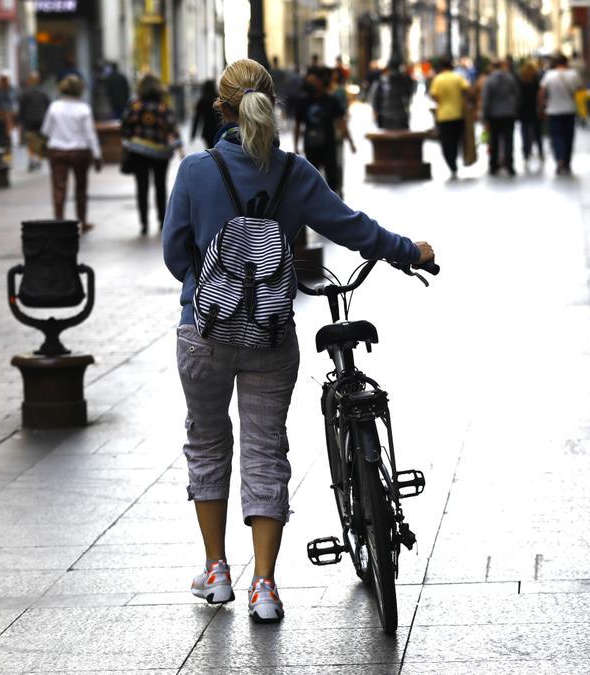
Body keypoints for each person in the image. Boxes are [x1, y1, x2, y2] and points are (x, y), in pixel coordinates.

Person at [162, 58, 435, 624]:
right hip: (270, 332)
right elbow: (355, 228)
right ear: (272, 106)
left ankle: (216, 571)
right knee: (266, 448)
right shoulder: (295, 173)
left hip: (204, 332)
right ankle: (265, 585)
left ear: (222, 109)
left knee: (207, 443)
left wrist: (209, 282)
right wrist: (411, 251)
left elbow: (174, 254)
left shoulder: (195, 170)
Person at [121, 74, 183, 235]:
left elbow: (125, 126)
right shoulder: (163, 107)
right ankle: (162, 220)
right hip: (160, 153)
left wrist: (129, 140)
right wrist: (179, 147)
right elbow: (172, 128)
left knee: (142, 187)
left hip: (138, 152)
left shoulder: (135, 106)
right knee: (160, 186)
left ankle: (144, 223)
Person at [41, 75, 101, 233]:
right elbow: (90, 134)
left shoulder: (54, 107)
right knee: (81, 187)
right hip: (79, 151)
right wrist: (97, 154)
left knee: (58, 186)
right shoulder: (84, 108)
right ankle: (82, 221)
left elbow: (45, 130)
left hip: (57, 150)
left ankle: (59, 220)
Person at [294, 68, 353, 194]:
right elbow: (298, 124)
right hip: (310, 145)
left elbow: (341, 122)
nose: (311, 84)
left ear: (321, 81)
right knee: (312, 177)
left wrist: (350, 141)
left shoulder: (331, 100)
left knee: (332, 178)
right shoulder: (303, 101)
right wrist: (295, 145)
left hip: (329, 145)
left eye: (314, 81)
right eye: (309, 81)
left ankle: (335, 202)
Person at [539, 53, 584, 175]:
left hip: (553, 111)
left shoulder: (549, 75)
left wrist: (542, 106)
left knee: (556, 137)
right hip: (569, 110)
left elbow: (542, 92)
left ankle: (560, 160)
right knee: (568, 137)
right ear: (566, 62)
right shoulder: (573, 74)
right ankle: (567, 162)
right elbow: (580, 89)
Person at [427, 58, 470, 179]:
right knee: (456, 140)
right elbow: (466, 89)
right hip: (458, 114)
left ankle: (451, 164)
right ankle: (455, 160)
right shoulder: (457, 77)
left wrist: (441, 101)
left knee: (446, 142)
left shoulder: (438, 79)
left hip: (443, 115)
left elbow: (434, 95)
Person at [481, 58, 520, 176]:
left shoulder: (490, 80)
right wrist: (514, 109)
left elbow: (486, 99)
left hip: (494, 114)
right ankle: (509, 164)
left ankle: (493, 165)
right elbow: (516, 94)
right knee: (509, 140)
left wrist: (485, 115)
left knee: (494, 140)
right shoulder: (509, 78)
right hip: (509, 113)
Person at [18, 72, 52, 172]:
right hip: (42, 120)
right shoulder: (44, 92)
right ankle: (39, 160)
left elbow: (22, 108)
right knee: (40, 141)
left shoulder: (25, 93)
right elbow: (49, 107)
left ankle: (32, 160)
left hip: (29, 120)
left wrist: (20, 120)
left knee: (31, 141)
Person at [517, 60, 544, 165]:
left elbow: (518, 96)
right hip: (534, 109)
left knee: (524, 131)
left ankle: (526, 152)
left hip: (523, 109)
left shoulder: (521, 81)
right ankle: (540, 151)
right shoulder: (535, 81)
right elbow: (539, 96)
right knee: (537, 132)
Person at [191, 79, 222, 149]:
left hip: (207, 131)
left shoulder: (202, 101)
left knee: (210, 150)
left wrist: (193, 134)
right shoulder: (217, 99)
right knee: (218, 149)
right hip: (218, 129)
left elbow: (197, 118)